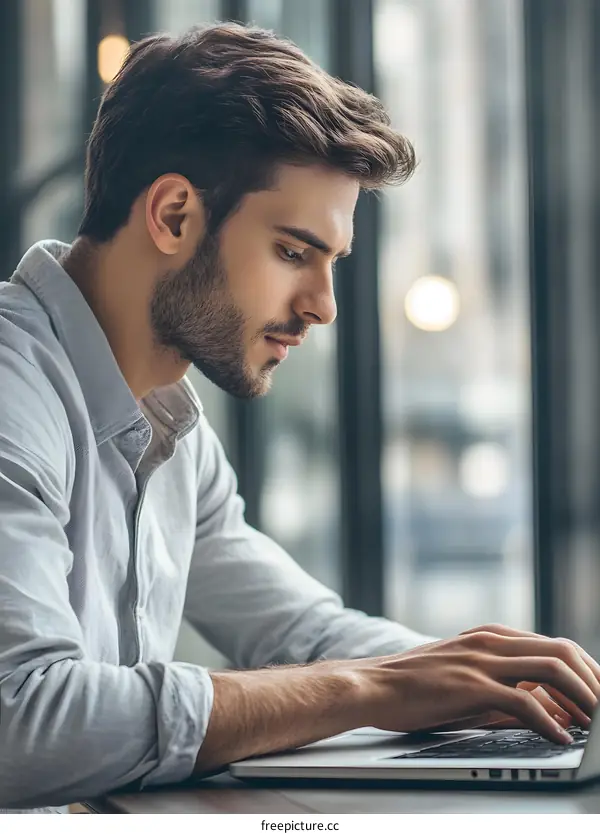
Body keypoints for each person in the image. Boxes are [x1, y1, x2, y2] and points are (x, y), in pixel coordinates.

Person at [0, 22, 597, 812]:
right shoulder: (16, 390)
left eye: (331, 263)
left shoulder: (170, 426)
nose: (322, 307)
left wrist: (476, 682)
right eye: (292, 252)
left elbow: (302, 635)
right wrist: (370, 688)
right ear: (174, 215)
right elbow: (21, 722)